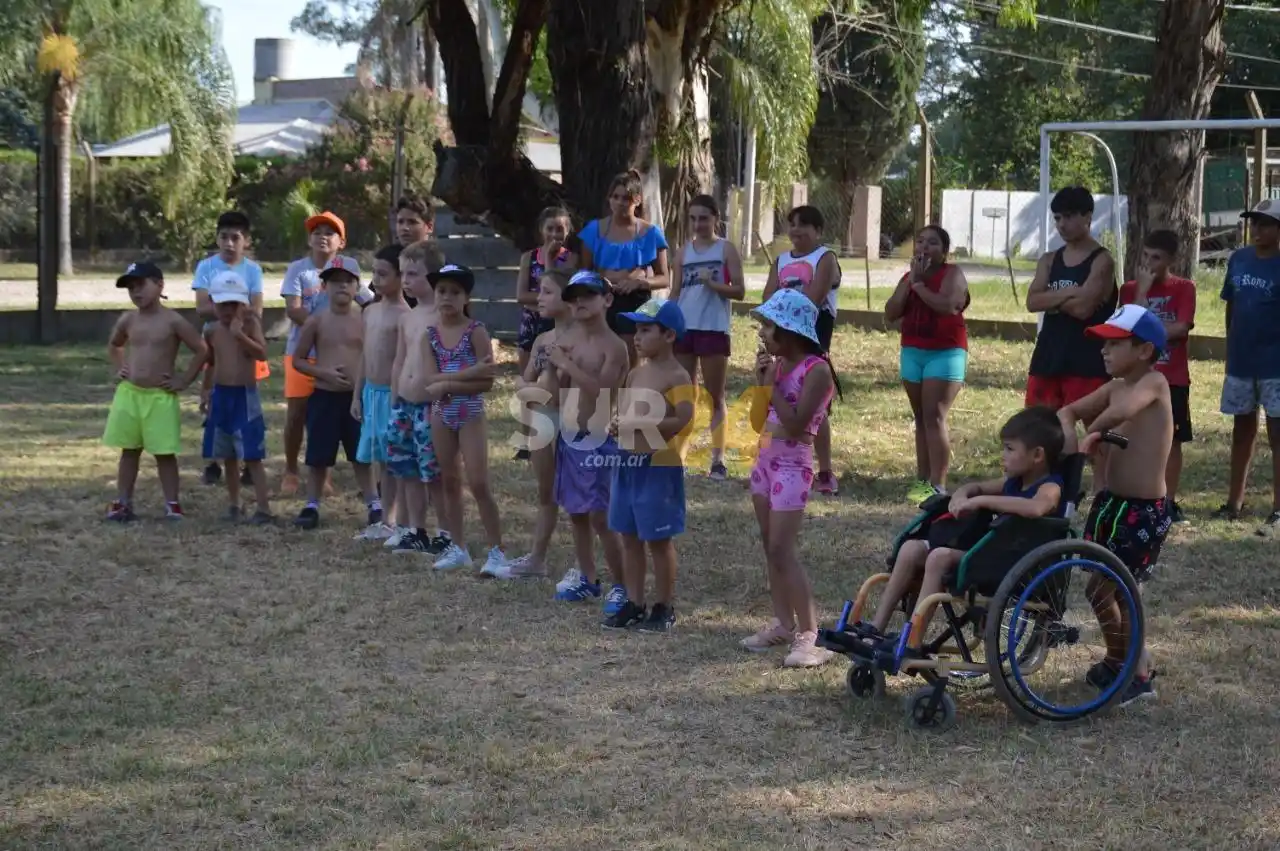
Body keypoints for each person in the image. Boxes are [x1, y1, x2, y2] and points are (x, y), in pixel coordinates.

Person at [859, 407, 1065, 641]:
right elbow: (974, 487)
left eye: (1010, 449)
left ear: (1037, 455)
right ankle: (877, 627)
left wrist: (982, 501)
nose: (1002, 455)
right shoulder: (1012, 482)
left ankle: (912, 640)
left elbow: (1036, 508)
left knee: (939, 557)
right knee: (911, 548)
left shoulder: (1050, 487)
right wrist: (962, 495)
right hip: (991, 555)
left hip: (1015, 563)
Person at [1059, 304, 1173, 705]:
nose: (1104, 351)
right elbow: (1068, 410)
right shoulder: (1113, 387)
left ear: (1144, 350)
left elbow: (1123, 412)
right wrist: (1068, 436)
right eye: (1103, 344)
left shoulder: (1154, 383)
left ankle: (1138, 674)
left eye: (1114, 343)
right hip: (1111, 505)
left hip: (1142, 511)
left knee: (1123, 590)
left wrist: (1094, 431)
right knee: (1097, 589)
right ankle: (1117, 659)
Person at [740, 289, 840, 667]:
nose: (763, 333)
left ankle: (809, 634)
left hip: (792, 465)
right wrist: (762, 384)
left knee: (783, 549)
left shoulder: (817, 370)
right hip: (765, 460)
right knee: (770, 547)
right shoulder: (777, 367)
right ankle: (782, 622)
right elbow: (755, 422)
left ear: (790, 330)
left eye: (769, 325)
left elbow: (798, 426)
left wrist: (771, 388)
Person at [603, 298, 695, 632]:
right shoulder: (636, 372)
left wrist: (639, 424)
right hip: (627, 463)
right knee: (629, 536)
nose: (637, 337)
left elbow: (684, 418)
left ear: (669, 335)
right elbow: (625, 409)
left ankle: (663, 605)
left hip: (658, 465)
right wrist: (617, 422)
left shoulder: (678, 375)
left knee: (658, 539)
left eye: (645, 330)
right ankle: (634, 602)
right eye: (636, 330)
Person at [548, 270, 630, 613]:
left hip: (598, 441)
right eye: (574, 296)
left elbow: (602, 392)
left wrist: (566, 363)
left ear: (607, 300)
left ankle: (623, 585)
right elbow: (557, 392)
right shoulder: (570, 338)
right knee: (576, 513)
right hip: (570, 438)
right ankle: (587, 576)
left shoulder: (616, 346)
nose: (579, 302)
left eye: (588, 295)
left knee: (601, 518)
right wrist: (556, 369)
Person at [102, 262, 207, 521]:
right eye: (131, 288)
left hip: (160, 398)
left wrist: (184, 380)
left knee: (164, 453)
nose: (136, 293)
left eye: (141, 286)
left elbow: (202, 349)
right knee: (129, 450)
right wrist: (121, 367)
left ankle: (172, 503)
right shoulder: (128, 319)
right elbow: (115, 345)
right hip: (130, 395)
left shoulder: (173, 321)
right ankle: (123, 502)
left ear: (160, 285)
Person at [422, 263, 507, 573]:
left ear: (466, 298)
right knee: (449, 480)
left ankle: (497, 550)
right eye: (442, 291)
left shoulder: (476, 331)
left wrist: (446, 383)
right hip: (441, 415)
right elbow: (429, 382)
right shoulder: (429, 335)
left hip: (469, 412)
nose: (447, 297)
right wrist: (464, 375)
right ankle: (458, 546)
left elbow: (487, 381)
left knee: (479, 481)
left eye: (455, 292)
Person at [288, 257, 378, 530]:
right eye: (335, 281)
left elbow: (374, 355)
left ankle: (374, 503)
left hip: (356, 398)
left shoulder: (365, 319)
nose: (342, 286)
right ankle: (312, 504)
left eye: (348, 281)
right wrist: (324, 372)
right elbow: (298, 360)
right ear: (324, 286)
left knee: (361, 454)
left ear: (357, 287)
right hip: (325, 396)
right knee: (318, 455)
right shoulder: (316, 321)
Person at [279, 211, 364, 496]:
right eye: (316, 231)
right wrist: (320, 329)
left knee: (331, 413)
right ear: (309, 239)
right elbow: (293, 308)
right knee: (297, 414)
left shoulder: (349, 267)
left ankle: (324, 475)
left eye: (330, 232)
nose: (322, 236)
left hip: (339, 354)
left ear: (341, 241)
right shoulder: (298, 270)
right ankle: (290, 470)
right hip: (302, 350)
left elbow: (366, 300)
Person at [885, 225, 969, 503]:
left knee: (934, 415)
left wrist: (920, 286)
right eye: (920, 241)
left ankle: (938, 484)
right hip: (912, 351)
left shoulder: (953, 274)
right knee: (920, 416)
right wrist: (911, 283)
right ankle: (922, 481)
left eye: (932, 243)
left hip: (945, 353)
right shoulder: (910, 277)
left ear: (944, 252)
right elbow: (891, 312)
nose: (924, 247)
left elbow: (947, 305)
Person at [762, 205, 842, 496]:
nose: (796, 230)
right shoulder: (781, 260)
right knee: (780, 395)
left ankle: (824, 470)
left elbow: (814, 297)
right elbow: (768, 297)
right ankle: (773, 459)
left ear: (818, 231)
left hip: (813, 335)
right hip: (781, 338)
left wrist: (786, 305)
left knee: (815, 406)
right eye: (792, 224)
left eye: (804, 225)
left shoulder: (826, 258)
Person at [1118, 229, 1196, 523]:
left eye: (1157, 258)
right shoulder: (1129, 290)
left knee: (1172, 439)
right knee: (1130, 433)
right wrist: (1140, 293)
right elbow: (1124, 328)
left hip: (1171, 377)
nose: (1149, 262)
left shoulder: (1184, 288)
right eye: (1146, 255)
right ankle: (1133, 493)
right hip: (1135, 377)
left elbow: (1181, 328)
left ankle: (1169, 501)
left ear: (1172, 260)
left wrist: (1144, 331)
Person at [668, 194, 745, 480]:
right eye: (693, 218)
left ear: (715, 219)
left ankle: (718, 459)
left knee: (716, 395)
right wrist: (667, 320)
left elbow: (739, 290)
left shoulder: (726, 249)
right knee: (685, 394)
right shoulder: (682, 252)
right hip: (685, 329)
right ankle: (680, 454)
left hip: (713, 327)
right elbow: (675, 292)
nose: (698, 224)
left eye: (704, 218)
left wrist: (713, 284)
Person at [384, 240, 453, 555]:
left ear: (434, 276)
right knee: (406, 467)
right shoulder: (407, 317)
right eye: (403, 274)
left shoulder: (442, 316)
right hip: (405, 405)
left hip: (431, 406)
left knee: (434, 472)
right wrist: (395, 395)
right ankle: (416, 529)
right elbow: (399, 360)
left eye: (413, 274)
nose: (406, 280)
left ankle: (446, 531)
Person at [1216, 198, 1280, 534]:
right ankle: (1234, 502)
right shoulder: (1239, 259)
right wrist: (1230, 348)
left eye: (1265, 223)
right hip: (1242, 360)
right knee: (1242, 431)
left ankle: (1278, 508)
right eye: (1254, 223)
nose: (1257, 229)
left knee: (1277, 434)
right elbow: (1231, 306)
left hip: (1275, 364)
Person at [191, 211, 268, 487]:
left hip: (245, 338)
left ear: (245, 241)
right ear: (217, 239)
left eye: (235, 237)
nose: (229, 243)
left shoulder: (253, 270)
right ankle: (213, 462)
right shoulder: (206, 267)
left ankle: (249, 461)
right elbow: (201, 308)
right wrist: (228, 310)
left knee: (246, 400)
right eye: (224, 237)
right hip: (216, 338)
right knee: (214, 398)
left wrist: (240, 322)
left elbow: (256, 308)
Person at [1024, 186, 1118, 411]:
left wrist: (1051, 299)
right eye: (1057, 218)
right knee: (1037, 427)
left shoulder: (1102, 260)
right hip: (1048, 356)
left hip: (1086, 360)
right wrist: (1070, 292)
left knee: (1092, 432)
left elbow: (1083, 309)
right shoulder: (1048, 260)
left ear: (1087, 216)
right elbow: (1032, 302)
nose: (1061, 224)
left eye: (1069, 216)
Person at [506, 270, 573, 579]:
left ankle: (584, 564)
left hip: (576, 423)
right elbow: (525, 381)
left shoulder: (586, 340)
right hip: (543, 421)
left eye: (547, 292)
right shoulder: (543, 339)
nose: (539, 298)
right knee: (547, 492)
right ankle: (537, 558)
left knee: (582, 495)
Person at [198, 274, 274, 524]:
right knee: (227, 453)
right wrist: (205, 391)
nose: (228, 310)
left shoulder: (250, 325)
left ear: (243, 304)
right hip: (221, 395)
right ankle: (234, 503)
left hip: (245, 396)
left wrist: (241, 335)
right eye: (222, 305)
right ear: (213, 304)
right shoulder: (211, 330)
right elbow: (211, 362)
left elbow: (262, 353)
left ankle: (263, 507)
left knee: (252, 455)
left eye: (234, 304)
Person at [578, 169, 670, 366]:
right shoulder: (593, 230)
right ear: (609, 199)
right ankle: (604, 397)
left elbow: (664, 278)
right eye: (615, 197)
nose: (620, 203)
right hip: (602, 300)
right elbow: (583, 273)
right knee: (601, 361)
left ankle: (628, 397)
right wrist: (598, 283)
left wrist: (639, 283)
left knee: (629, 361)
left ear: (637, 200)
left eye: (626, 198)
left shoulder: (651, 233)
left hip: (634, 302)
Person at [351, 244, 411, 541]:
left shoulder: (405, 315)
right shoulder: (370, 311)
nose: (376, 279)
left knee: (396, 460)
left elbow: (406, 359)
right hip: (371, 395)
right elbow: (364, 354)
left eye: (383, 273)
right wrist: (356, 394)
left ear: (402, 277)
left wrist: (400, 396)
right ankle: (387, 520)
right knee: (380, 459)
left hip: (393, 396)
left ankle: (400, 521)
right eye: (374, 272)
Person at [513, 207, 574, 460]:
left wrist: (549, 262)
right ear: (541, 230)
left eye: (559, 228)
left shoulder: (571, 260)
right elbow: (521, 295)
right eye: (549, 228)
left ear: (567, 231)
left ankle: (557, 430)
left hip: (558, 324)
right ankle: (527, 438)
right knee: (529, 378)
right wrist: (539, 299)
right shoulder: (529, 257)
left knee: (556, 379)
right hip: (531, 324)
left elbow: (565, 293)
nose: (554, 233)